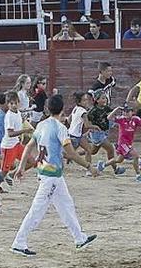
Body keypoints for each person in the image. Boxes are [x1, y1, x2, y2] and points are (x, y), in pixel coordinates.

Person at [10, 94, 98, 257]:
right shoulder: (60, 128)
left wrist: (21, 167)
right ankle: (19, 242)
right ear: (62, 110)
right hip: (51, 177)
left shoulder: (42, 125)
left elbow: (29, 146)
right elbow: (71, 154)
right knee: (37, 209)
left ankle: (79, 238)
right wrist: (88, 166)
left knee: (66, 205)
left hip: (50, 174)